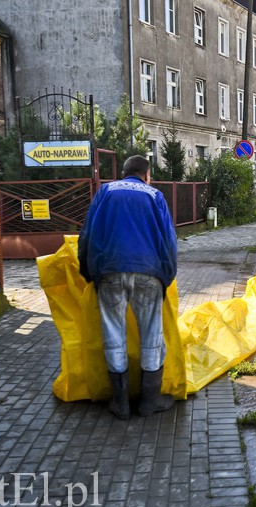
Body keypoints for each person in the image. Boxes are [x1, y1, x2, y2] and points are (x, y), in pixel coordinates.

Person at [78, 155, 178, 419]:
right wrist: (166, 276)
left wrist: (88, 272)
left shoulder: (105, 192)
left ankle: (120, 403)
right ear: (146, 174)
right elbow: (169, 241)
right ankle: (149, 401)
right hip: (149, 272)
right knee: (151, 335)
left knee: (113, 334)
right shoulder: (154, 196)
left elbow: (86, 234)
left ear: (124, 173)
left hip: (109, 270)